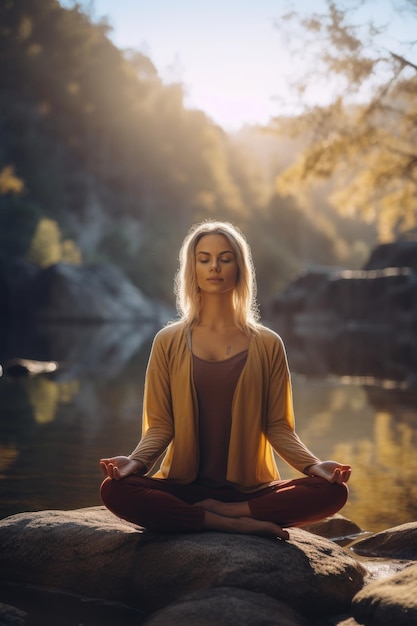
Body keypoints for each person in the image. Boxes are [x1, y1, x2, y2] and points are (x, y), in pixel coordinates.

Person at [100, 220, 351, 540]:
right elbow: (161, 426)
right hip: (184, 488)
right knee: (115, 489)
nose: (214, 266)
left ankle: (231, 513)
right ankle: (224, 522)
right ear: (192, 268)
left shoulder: (269, 343)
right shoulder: (167, 341)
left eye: (225, 258)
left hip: (250, 492)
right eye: (203, 259)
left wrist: (315, 467)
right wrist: (134, 463)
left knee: (332, 493)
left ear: (239, 267)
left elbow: (278, 426)